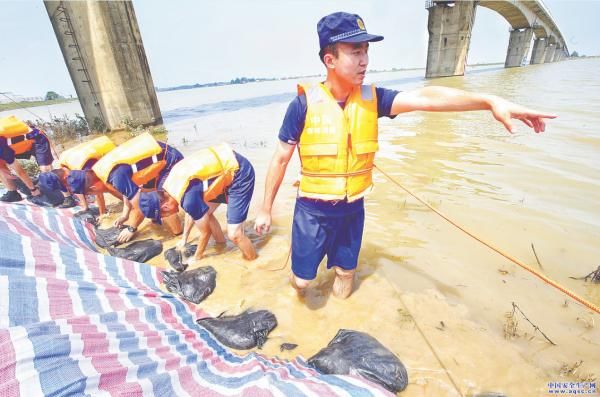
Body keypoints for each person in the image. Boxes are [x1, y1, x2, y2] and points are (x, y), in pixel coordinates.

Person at [254, 12, 556, 300]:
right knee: (302, 281)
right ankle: (297, 298)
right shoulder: (302, 105)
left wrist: (489, 101)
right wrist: (266, 209)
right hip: (312, 210)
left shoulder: (375, 99)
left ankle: (339, 323)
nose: (364, 61)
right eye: (355, 52)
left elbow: (426, 98)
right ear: (330, 60)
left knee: (347, 273)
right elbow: (281, 158)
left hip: (352, 209)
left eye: (366, 52)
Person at [139, 143, 257, 264]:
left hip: (239, 173)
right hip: (227, 163)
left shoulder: (187, 199)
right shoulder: (169, 186)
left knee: (235, 234)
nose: (167, 217)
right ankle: (221, 245)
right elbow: (193, 212)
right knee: (206, 213)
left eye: (164, 216)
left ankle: (253, 263)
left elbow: (205, 233)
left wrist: (196, 258)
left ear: (165, 206)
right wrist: (184, 238)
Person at [92, 132, 184, 242]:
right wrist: (125, 215)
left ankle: (178, 236)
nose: (95, 195)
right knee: (150, 199)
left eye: (90, 193)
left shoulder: (113, 177)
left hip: (169, 159)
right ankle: (157, 223)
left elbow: (139, 206)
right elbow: (128, 194)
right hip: (155, 162)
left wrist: (131, 228)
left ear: (94, 186)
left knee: (165, 203)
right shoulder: (107, 175)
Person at [38, 135, 117, 210]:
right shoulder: (62, 171)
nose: (68, 187)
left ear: (65, 178)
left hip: (112, 151)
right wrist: (88, 207)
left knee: (110, 185)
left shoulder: (83, 168)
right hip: (95, 154)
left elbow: (102, 189)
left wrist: (102, 213)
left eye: (66, 184)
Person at [0, 116, 51, 202]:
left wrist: (33, 190)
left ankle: (53, 189)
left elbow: (19, 171)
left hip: (37, 139)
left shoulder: (1, 146)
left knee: (45, 171)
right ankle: (13, 193)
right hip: (18, 146)